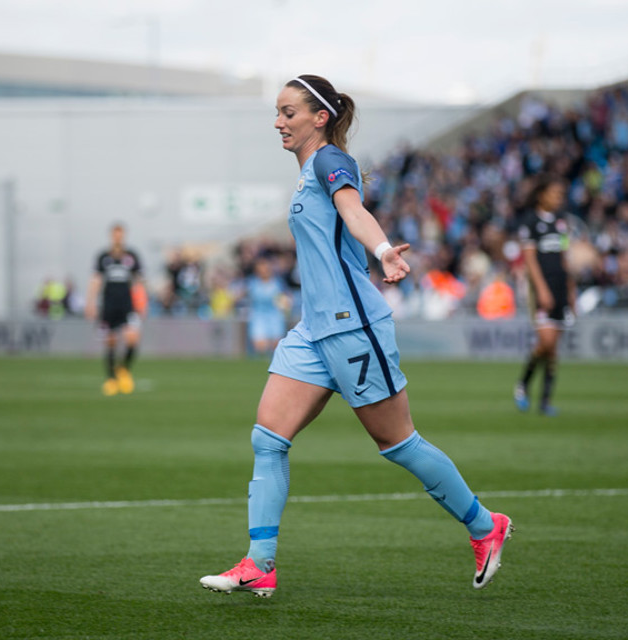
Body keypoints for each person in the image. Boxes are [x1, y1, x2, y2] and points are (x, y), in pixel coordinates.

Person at [199, 75, 513, 599]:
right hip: (313, 331)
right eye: (276, 113)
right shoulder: (305, 173)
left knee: (399, 444)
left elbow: (353, 208)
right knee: (267, 439)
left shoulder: (328, 161)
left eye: (288, 112)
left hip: (353, 327)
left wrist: (384, 249)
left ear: (319, 117)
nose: (278, 121)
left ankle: (485, 526)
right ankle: (259, 563)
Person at [514, 176, 576, 416]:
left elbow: (564, 256)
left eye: (561, 195)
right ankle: (522, 385)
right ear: (542, 195)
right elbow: (530, 260)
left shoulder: (561, 222)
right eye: (554, 194)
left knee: (553, 349)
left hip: (560, 286)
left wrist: (571, 290)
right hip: (542, 288)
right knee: (546, 343)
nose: (559, 198)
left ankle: (545, 401)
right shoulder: (530, 222)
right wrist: (541, 289)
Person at [85, 223, 144, 396]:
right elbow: (96, 280)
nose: (118, 237)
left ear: (124, 236)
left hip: (127, 304)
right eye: (115, 234)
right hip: (109, 304)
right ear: (111, 236)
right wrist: (90, 303)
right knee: (110, 341)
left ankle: (123, 370)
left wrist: (142, 303)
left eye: (120, 234)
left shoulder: (131, 256)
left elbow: (138, 282)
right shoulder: (103, 257)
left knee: (132, 338)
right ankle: (111, 378)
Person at [245, 255, 290, 356]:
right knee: (260, 346)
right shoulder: (252, 283)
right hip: (258, 316)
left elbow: (286, 298)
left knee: (276, 345)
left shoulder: (278, 282)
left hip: (275, 316)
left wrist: (285, 304)